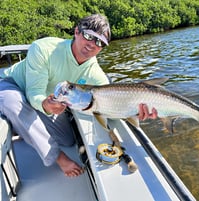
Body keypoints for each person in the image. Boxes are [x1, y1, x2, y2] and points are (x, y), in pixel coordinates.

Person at [0, 14, 157, 177]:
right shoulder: (44, 48)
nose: (92, 45)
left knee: (68, 140)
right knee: (14, 104)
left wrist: (134, 111)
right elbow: (34, 93)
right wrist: (45, 105)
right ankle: (57, 157)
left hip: (48, 99)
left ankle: (22, 126)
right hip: (13, 85)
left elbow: (112, 106)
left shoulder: (95, 74)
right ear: (76, 31)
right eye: (89, 36)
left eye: (99, 42)